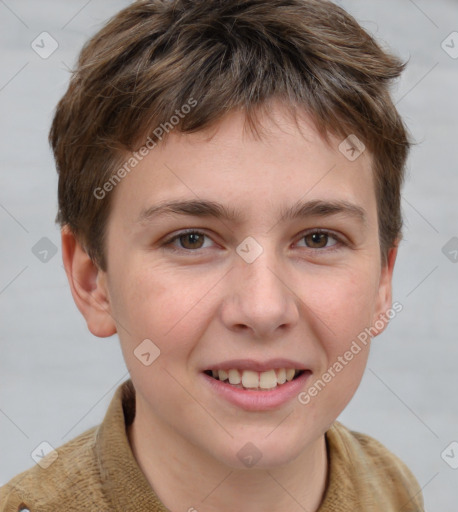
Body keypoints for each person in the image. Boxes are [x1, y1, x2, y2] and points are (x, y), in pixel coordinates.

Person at [0, 0, 424, 510]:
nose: (264, 309)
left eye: (317, 239)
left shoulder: (393, 490)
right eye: (191, 240)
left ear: (383, 279)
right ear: (93, 281)